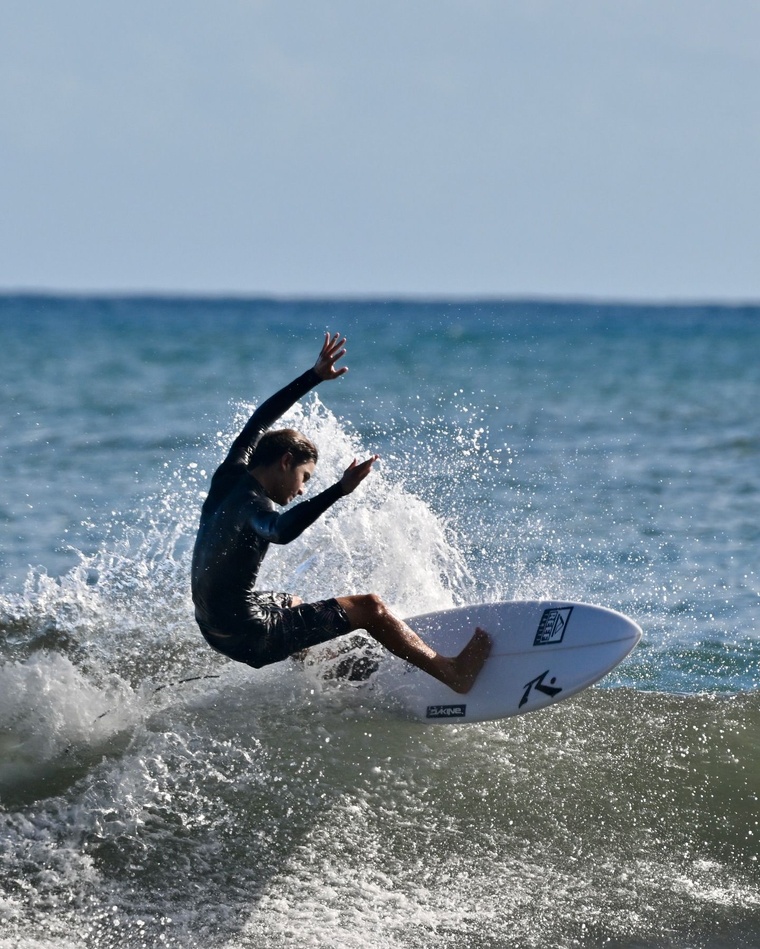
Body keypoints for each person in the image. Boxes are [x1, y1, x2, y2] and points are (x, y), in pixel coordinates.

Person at [191, 332, 491, 694]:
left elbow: (260, 419)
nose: (301, 489)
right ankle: (453, 673)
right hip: (250, 635)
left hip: (213, 627)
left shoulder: (229, 475)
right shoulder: (257, 507)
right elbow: (280, 530)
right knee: (369, 607)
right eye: (304, 478)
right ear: (286, 462)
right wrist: (340, 489)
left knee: (292, 604)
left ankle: (333, 673)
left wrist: (314, 375)